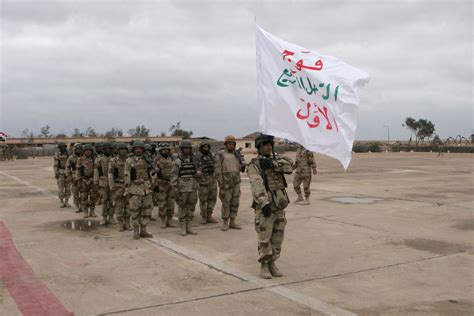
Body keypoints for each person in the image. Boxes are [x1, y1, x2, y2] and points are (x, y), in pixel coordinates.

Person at [247, 134, 293, 279]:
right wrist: (263, 202)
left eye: (270, 144)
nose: (268, 147)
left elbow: (290, 167)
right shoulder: (254, 165)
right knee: (264, 237)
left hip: (279, 206)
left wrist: (273, 164)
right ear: (259, 147)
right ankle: (264, 266)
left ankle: (273, 263)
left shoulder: (276, 161)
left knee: (278, 236)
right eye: (265, 144)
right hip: (265, 207)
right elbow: (256, 184)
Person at [214, 135, 246, 231]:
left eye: (232, 144)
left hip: (235, 182)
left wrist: (243, 165)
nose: (231, 146)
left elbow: (239, 168)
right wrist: (221, 183)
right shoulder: (220, 154)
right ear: (225, 144)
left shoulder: (237, 155)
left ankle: (232, 221)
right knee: (226, 203)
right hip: (226, 183)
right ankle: (225, 222)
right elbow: (217, 170)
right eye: (229, 144)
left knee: (235, 202)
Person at [124, 141, 154, 239]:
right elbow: (126, 175)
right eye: (136, 148)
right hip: (134, 188)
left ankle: (144, 230)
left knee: (146, 210)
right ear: (133, 150)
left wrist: (153, 184)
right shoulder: (129, 160)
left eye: (140, 148)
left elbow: (152, 174)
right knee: (135, 210)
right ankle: (136, 231)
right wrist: (127, 189)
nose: (138, 150)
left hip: (146, 188)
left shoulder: (148, 160)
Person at [171, 140, 198, 236]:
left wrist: (198, 174)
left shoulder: (193, 161)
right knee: (182, 208)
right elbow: (174, 177)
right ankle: (183, 228)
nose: (187, 150)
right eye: (185, 148)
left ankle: (189, 227)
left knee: (191, 208)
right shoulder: (177, 161)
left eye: (188, 148)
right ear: (181, 149)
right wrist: (175, 190)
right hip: (182, 189)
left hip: (192, 188)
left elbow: (196, 174)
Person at [108, 143, 132, 232]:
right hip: (118, 185)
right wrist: (112, 186)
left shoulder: (130, 160)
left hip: (128, 186)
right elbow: (110, 174)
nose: (123, 151)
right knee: (118, 205)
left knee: (128, 205)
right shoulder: (113, 161)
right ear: (118, 151)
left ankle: (127, 223)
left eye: (125, 149)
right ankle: (120, 224)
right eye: (121, 149)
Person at [194, 141, 218, 224]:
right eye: (204, 147)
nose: (206, 148)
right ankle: (204, 217)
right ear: (201, 148)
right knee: (203, 200)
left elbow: (216, 165)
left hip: (212, 180)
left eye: (207, 147)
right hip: (202, 182)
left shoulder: (211, 155)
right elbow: (194, 167)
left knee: (212, 199)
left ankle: (209, 216)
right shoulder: (197, 157)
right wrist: (197, 173)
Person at [153, 143, 176, 229]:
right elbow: (153, 171)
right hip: (161, 184)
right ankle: (163, 221)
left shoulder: (172, 158)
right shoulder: (157, 159)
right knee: (162, 203)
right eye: (163, 150)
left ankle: (169, 221)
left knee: (171, 203)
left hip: (171, 183)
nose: (165, 151)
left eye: (167, 149)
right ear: (161, 151)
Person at [76, 144, 97, 218]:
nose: (88, 152)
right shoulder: (80, 159)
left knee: (93, 197)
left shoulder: (94, 159)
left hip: (92, 180)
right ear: (84, 151)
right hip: (83, 180)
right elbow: (78, 171)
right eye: (87, 151)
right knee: (84, 196)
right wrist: (78, 181)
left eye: (90, 151)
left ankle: (92, 211)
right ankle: (85, 212)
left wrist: (95, 180)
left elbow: (96, 171)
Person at [54, 142, 71, 208]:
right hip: (60, 172)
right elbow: (55, 165)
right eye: (60, 147)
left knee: (68, 188)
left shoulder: (69, 154)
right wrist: (56, 173)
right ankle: (61, 201)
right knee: (60, 188)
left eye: (63, 147)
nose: (62, 148)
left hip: (68, 172)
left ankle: (66, 201)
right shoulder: (57, 154)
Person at [66, 143, 83, 212]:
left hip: (82, 177)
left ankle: (82, 206)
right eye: (77, 149)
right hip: (74, 177)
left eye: (80, 149)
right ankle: (77, 206)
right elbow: (67, 167)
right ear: (75, 149)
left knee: (83, 193)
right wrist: (69, 176)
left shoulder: (84, 157)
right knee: (75, 192)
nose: (79, 150)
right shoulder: (71, 158)